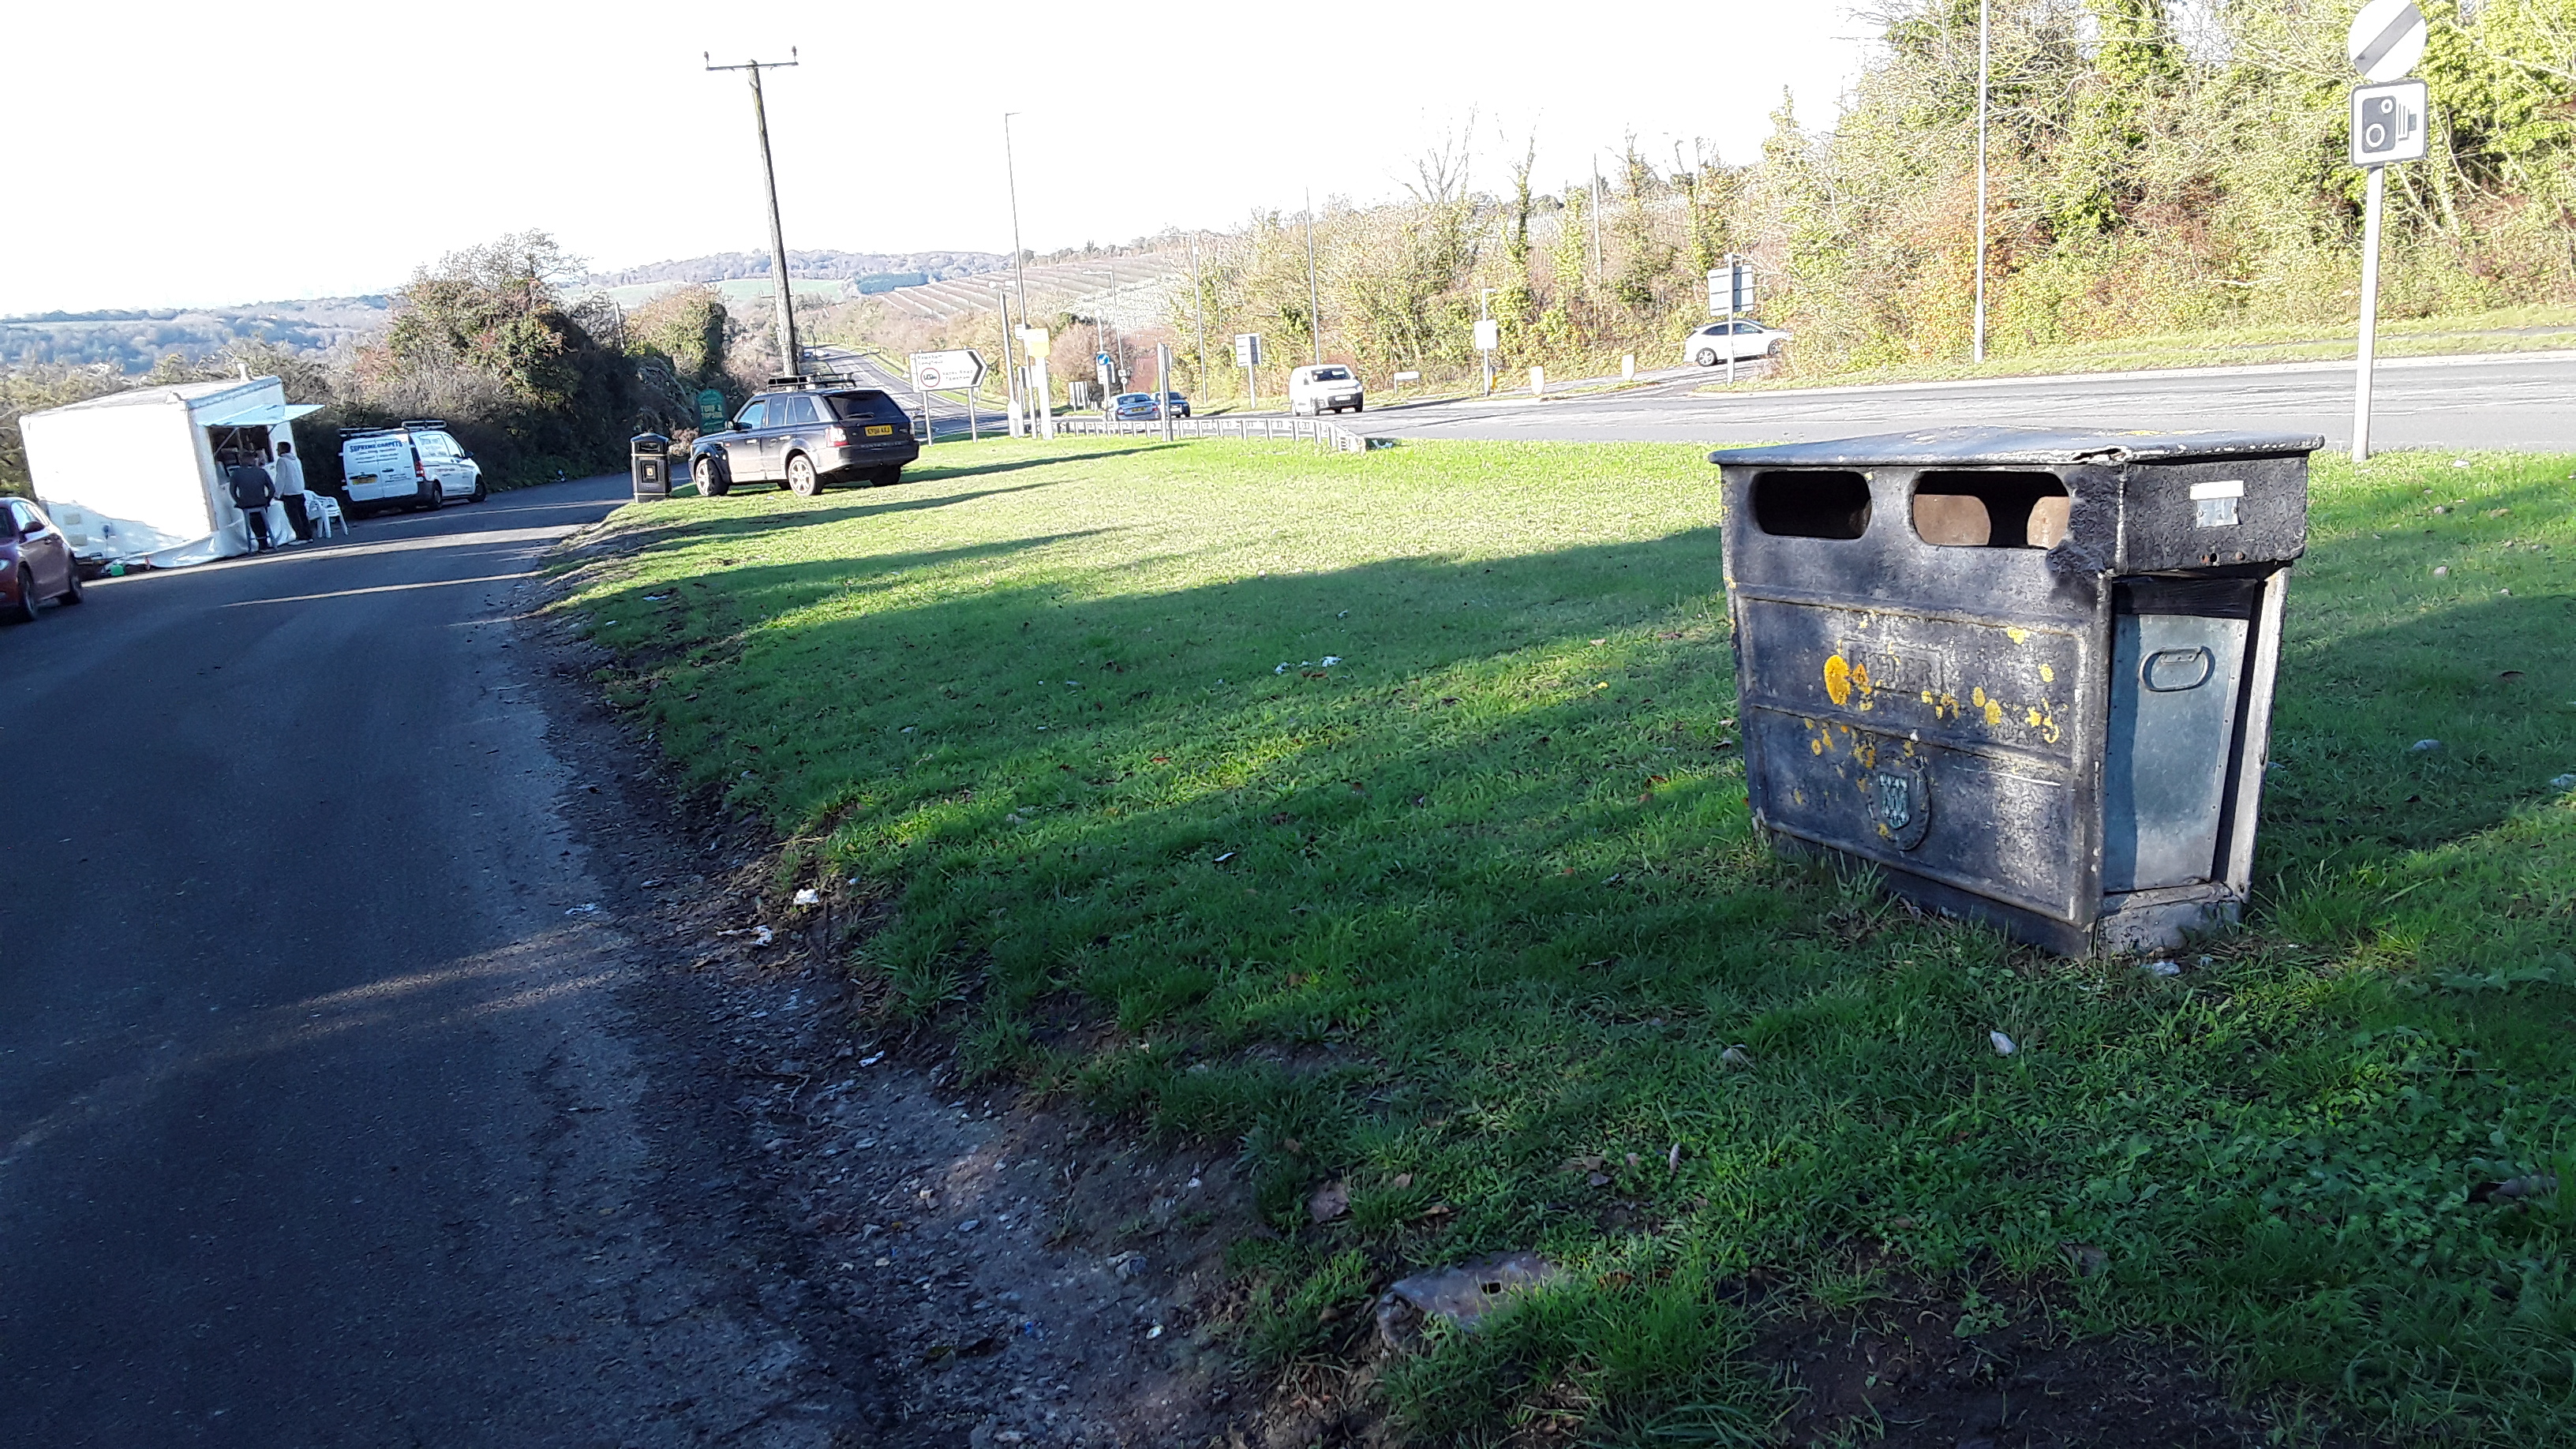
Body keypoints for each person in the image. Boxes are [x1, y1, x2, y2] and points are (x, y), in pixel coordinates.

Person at [225, 449, 278, 552]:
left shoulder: (236, 474)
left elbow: (232, 491)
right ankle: (264, 541)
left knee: (253, 521)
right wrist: (268, 499)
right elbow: (272, 488)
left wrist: (238, 501)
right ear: (253, 460)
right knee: (262, 520)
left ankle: (260, 541)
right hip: (261, 502)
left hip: (246, 503)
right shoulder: (261, 472)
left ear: (241, 460)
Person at [271, 440, 313, 542]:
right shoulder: (296, 460)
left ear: (282, 450)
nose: (277, 451)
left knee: (294, 517)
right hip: (299, 491)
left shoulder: (282, 461)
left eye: (278, 449)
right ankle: (308, 535)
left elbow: (281, 478)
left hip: (289, 493)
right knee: (303, 514)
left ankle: (301, 536)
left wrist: (277, 493)